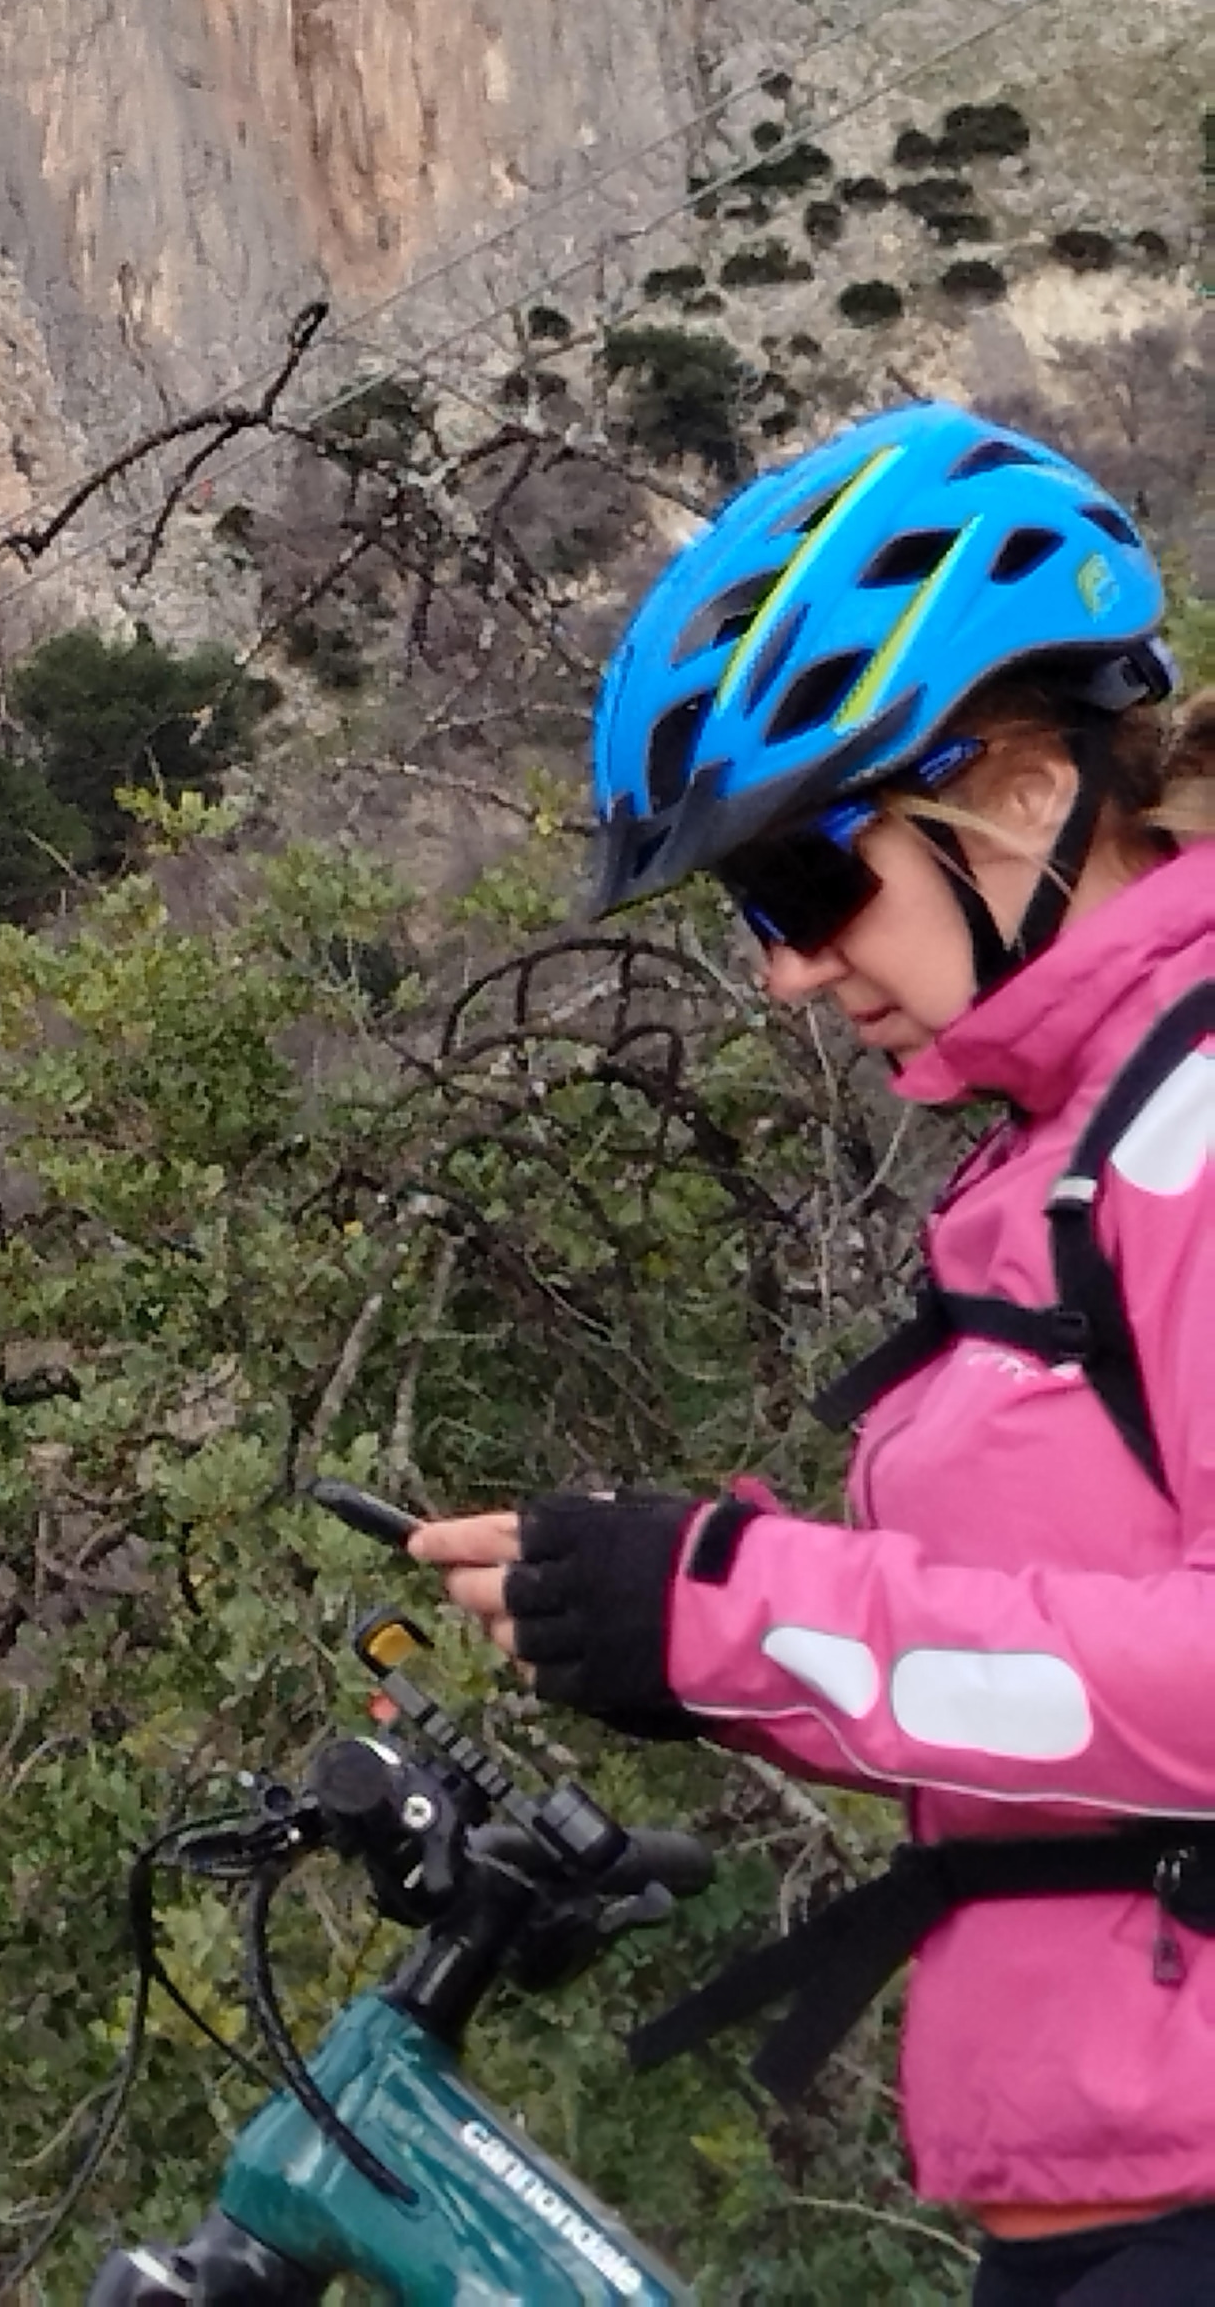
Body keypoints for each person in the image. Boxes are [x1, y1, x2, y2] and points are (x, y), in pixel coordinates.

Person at [411, 399, 1215, 2302]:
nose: (778, 963)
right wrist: (664, 1625)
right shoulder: (1079, 1142)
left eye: (805, 882)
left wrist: (737, 1612)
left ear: (1015, 792)